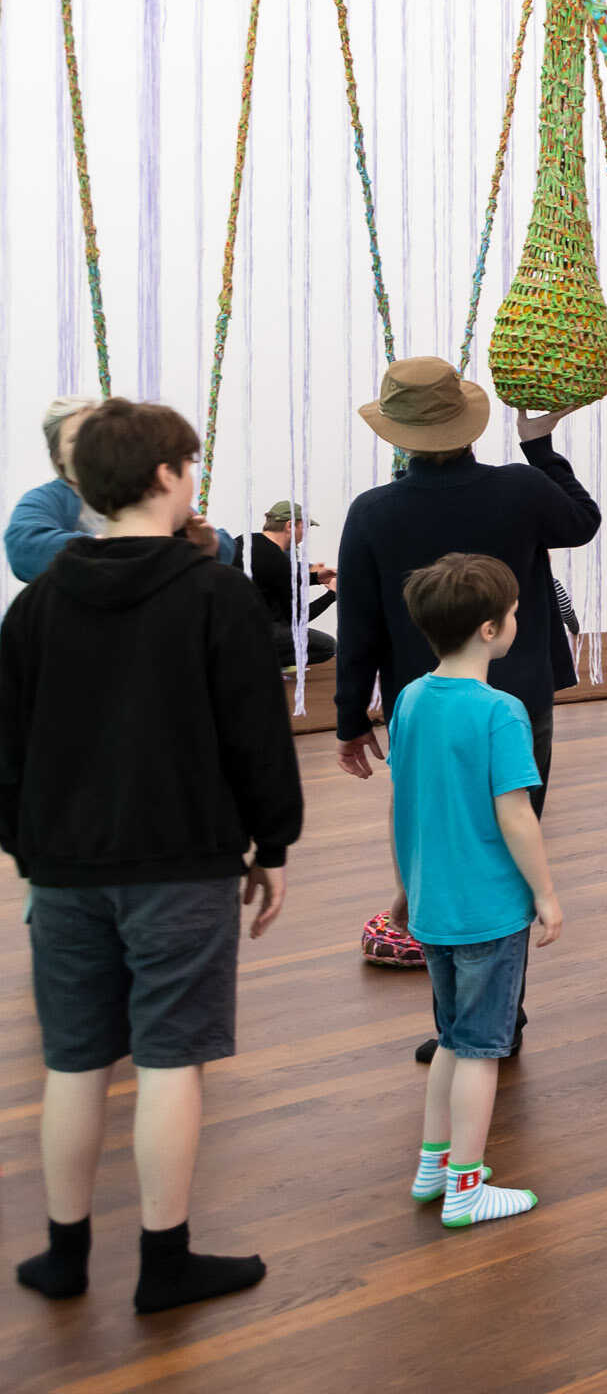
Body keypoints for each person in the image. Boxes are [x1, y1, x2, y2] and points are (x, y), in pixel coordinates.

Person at [1, 399, 299, 1311]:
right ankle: (164, 1264)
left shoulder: (39, 602)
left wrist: (29, 848)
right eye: (189, 465)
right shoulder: (213, 594)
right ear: (167, 475)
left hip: (65, 871)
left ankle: (64, 1257)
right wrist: (272, 843)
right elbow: (256, 735)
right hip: (181, 863)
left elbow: (8, 744)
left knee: (75, 1061)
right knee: (170, 1061)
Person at [334, 356, 597, 1064]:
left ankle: (463, 1020)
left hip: (420, 708)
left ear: (399, 433)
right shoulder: (518, 490)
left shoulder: (373, 512)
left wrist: (349, 721)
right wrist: (539, 445)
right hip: (519, 698)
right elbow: (582, 522)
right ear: (468, 423)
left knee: (438, 847)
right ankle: (496, 1017)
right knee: (512, 841)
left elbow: (357, 625)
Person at [387, 554, 562, 1229]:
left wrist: (402, 887)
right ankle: (465, 1187)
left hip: (433, 905)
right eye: (515, 614)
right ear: (491, 629)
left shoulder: (408, 700)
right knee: (484, 1049)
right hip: (489, 911)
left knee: (453, 1038)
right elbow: (516, 814)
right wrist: (545, 893)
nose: (518, 622)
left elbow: (408, 803)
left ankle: (434, 1166)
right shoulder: (502, 713)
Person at [7, 394, 102, 584]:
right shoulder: (43, 500)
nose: (89, 444)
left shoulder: (138, 492)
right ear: (57, 455)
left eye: (96, 434)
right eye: (75, 439)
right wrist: (104, 545)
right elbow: (24, 547)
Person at [251, 501, 337, 668]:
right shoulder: (280, 561)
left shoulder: (244, 542)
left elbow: (272, 578)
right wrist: (332, 595)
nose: (304, 536)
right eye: (304, 528)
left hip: (232, 628)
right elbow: (298, 619)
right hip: (259, 631)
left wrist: (315, 578)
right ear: (290, 526)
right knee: (328, 646)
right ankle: (258, 664)